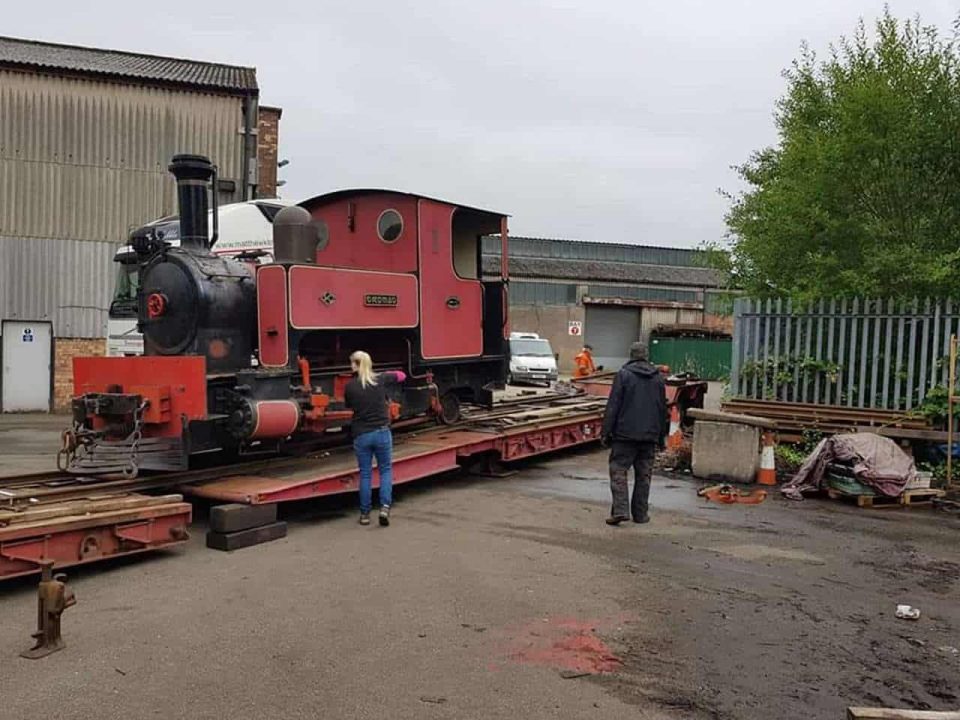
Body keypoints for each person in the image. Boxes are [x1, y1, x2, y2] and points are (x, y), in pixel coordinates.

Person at [601, 342, 667, 526]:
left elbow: (613, 406)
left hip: (625, 435)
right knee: (644, 475)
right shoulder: (658, 379)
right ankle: (640, 514)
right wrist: (661, 437)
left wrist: (606, 432)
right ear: (646, 356)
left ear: (631, 355)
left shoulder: (623, 375)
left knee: (618, 470)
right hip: (649, 436)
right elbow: (662, 410)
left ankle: (621, 511)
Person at [343, 351, 406, 527]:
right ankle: (385, 508)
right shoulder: (381, 379)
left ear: (355, 365)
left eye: (351, 363)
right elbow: (402, 375)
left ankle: (364, 514)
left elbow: (349, 405)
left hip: (361, 434)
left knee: (365, 474)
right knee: (385, 470)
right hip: (381, 433)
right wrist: (389, 376)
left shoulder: (349, 387)